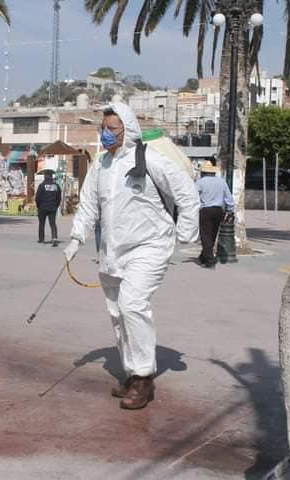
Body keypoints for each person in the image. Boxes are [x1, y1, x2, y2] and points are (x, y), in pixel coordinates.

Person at [64, 102, 200, 410]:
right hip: (112, 251)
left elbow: (187, 194)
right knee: (116, 313)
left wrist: (187, 233)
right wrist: (76, 237)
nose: (106, 134)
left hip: (149, 247)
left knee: (132, 304)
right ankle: (130, 372)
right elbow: (88, 205)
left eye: (113, 129)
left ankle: (143, 378)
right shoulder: (100, 165)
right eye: (104, 128)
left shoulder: (151, 160)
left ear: (129, 130)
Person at [195, 162, 235, 268]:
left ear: (203, 172)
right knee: (212, 234)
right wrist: (230, 210)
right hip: (218, 211)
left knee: (205, 235)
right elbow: (229, 198)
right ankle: (203, 257)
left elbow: (193, 195)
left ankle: (209, 260)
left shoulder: (200, 182)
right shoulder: (222, 182)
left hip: (205, 210)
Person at [35, 170, 62, 246]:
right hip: (52, 208)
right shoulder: (56, 186)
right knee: (53, 223)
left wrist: (38, 206)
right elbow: (59, 197)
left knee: (41, 223)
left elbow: (37, 198)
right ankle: (54, 238)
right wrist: (56, 205)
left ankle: (41, 239)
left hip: (42, 208)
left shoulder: (42, 185)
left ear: (45, 176)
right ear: (51, 176)